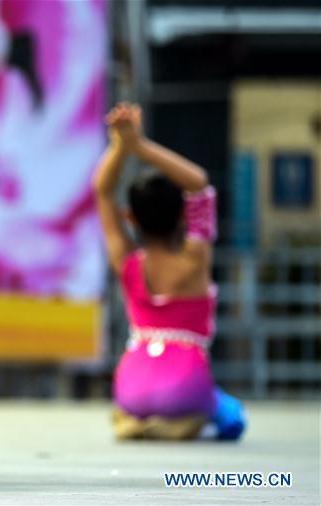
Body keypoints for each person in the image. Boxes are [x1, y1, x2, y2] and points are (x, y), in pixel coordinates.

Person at [93, 102, 246, 440]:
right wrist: (141, 146)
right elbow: (199, 184)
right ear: (182, 217)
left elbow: (103, 192)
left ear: (130, 218)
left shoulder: (127, 263)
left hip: (132, 384)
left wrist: (121, 147)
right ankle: (191, 420)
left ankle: (132, 418)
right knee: (233, 417)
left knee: (140, 402)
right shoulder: (195, 260)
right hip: (186, 384)